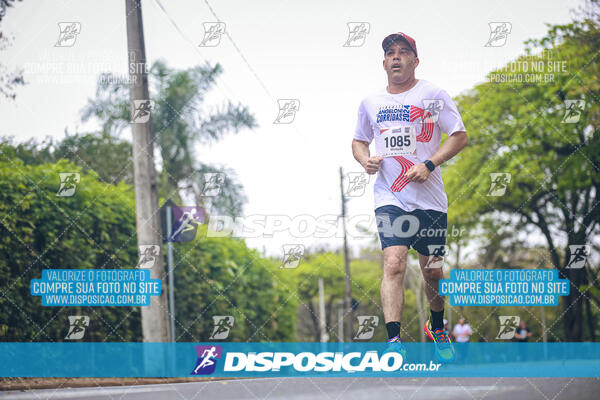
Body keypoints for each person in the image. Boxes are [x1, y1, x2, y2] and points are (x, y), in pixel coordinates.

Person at [353, 32, 468, 363]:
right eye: (390, 53)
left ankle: (437, 324)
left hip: (430, 199)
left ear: (415, 61)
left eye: (404, 52)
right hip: (390, 194)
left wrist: (430, 163)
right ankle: (393, 342)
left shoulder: (432, 94)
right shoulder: (370, 102)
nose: (396, 57)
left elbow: (459, 136)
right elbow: (359, 140)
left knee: (432, 270)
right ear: (384, 62)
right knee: (393, 262)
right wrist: (365, 159)